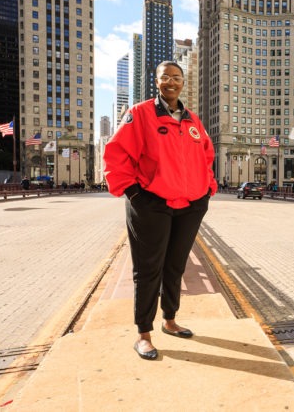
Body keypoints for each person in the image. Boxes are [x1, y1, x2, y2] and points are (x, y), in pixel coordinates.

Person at [103, 61, 217, 361]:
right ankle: (143, 334)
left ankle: (170, 319)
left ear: (182, 83)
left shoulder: (193, 120)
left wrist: (208, 190)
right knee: (148, 269)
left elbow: (207, 156)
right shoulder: (140, 113)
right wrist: (134, 194)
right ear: (156, 81)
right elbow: (116, 154)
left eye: (176, 78)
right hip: (151, 203)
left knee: (175, 266)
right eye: (165, 77)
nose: (171, 82)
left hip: (190, 206)